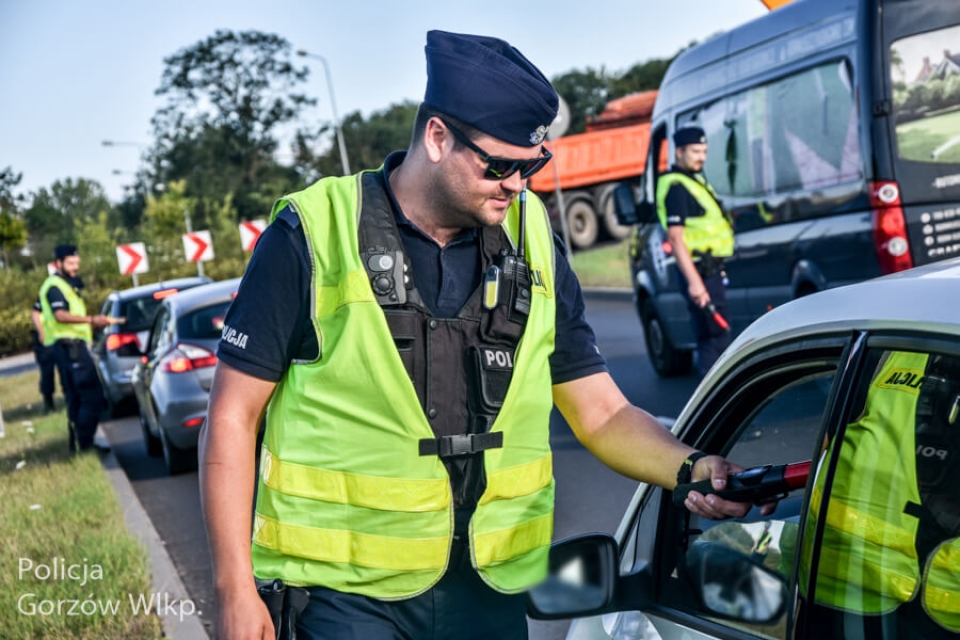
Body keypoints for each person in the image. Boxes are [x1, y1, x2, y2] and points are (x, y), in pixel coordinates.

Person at [200, 30, 756, 640]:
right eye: (500, 166)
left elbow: (600, 413)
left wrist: (691, 468)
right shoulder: (311, 232)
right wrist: (234, 589)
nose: (518, 184)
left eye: (532, 166)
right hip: (344, 599)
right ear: (438, 138)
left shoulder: (533, 238)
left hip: (487, 595)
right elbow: (231, 415)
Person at [656, 126, 735, 378]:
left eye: (704, 151)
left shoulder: (692, 181)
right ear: (679, 152)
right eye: (695, 152)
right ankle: (720, 409)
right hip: (700, 274)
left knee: (715, 337)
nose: (701, 157)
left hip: (709, 271)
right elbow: (675, 238)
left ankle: (722, 407)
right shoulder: (677, 187)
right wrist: (695, 284)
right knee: (714, 339)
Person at [38, 244, 110, 452]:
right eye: (70, 263)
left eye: (77, 263)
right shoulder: (55, 286)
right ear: (58, 263)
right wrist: (91, 320)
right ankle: (85, 443)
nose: (74, 267)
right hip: (70, 348)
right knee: (92, 396)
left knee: (77, 397)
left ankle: (79, 443)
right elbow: (60, 315)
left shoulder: (66, 285)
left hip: (70, 347)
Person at [30, 298, 59, 413]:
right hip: (45, 339)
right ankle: (49, 403)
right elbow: (35, 313)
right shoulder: (48, 294)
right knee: (47, 372)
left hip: (59, 336)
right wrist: (41, 332)